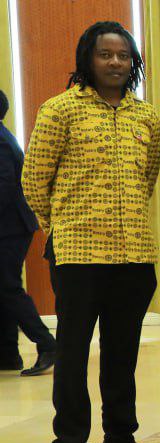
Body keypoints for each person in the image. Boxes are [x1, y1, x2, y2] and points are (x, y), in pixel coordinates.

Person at [23, 21, 160, 443]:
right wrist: (62, 228)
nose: (115, 63)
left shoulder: (146, 116)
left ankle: (120, 440)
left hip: (134, 254)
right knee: (72, 354)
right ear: (88, 58)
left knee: (122, 353)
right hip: (79, 255)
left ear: (133, 62)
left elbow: (147, 179)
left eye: (123, 55)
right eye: (106, 54)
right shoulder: (60, 109)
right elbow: (34, 181)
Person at [0, 89, 56, 376]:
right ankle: (8, 355)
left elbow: (4, 186)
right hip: (11, 226)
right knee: (4, 287)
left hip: (9, 227)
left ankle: (47, 344)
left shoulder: (0, 140)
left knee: (7, 287)